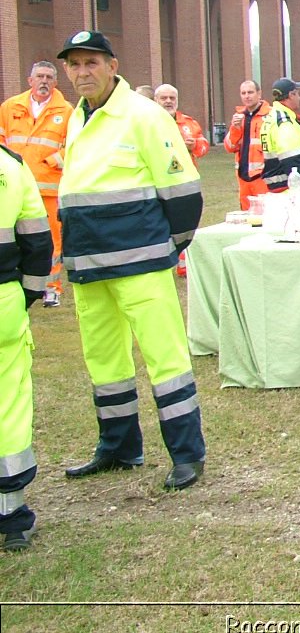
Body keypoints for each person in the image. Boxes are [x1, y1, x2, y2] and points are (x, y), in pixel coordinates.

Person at [56, 30, 206, 491]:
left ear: (112, 65)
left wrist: (166, 247)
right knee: (104, 360)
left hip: (141, 264)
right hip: (88, 265)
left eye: (92, 63)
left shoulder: (144, 116)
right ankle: (119, 446)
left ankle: (186, 454)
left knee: (166, 358)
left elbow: (183, 195)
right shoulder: (76, 118)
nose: (83, 73)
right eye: (75, 65)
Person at [0, 144, 53, 550]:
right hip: (3, 303)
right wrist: (28, 296)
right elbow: (37, 240)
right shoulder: (10, 166)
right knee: (8, 406)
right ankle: (12, 514)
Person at [0, 61, 72, 307]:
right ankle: (16, 280)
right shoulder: (10, 107)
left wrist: (50, 160)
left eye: (49, 77)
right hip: (11, 188)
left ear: (55, 82)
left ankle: (51, 287)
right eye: (39, 76)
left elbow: (74, 147)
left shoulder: (66, 111)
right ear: (29, 80)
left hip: (47, 189)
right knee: (10, 236)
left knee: (49, 241)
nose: (44, 81)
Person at [260, 78, 300, 192]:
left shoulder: (272, 117)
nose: (299, 98)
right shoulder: (285, 122)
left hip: (278, 187)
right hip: (290, 190)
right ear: (291, 95)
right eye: (297, 94)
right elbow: (292, 162)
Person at [223, 80, 270, 211]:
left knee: (265, 216)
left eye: (250, 92)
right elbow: (229, 147)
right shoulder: (238, 117)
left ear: (259, 94)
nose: (247, 96)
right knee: (246, 219)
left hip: (264, 176)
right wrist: (235, 128)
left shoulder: (270, 115)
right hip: (243, 177)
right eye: (243, 93)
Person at [153, 84, 210, 160]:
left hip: (185, 171)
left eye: (172, 98)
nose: (168, 101)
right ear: (155, 100)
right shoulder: (146, 122)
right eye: (163, 98)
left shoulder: (189, 123)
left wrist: (194, 145)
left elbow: (204, 146)